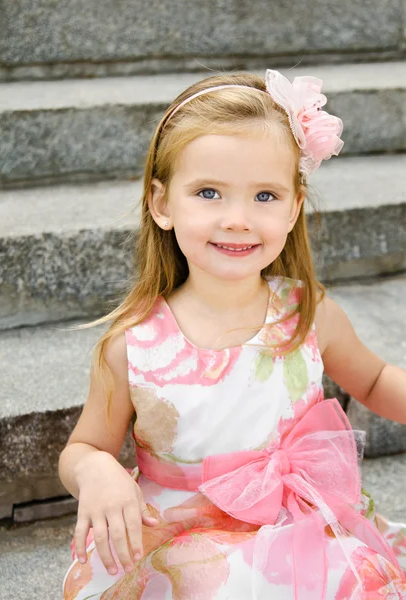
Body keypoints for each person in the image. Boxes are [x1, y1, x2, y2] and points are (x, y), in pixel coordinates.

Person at [59, 68, 406, 599]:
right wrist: (96, 473)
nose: (238, 219)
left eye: (265, 196)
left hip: (297, 526)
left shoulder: (308, 314)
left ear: (294, 207)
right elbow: (83, 447)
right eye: (209, 193)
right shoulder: (133, 346)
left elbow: (377, 379)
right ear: (162, 204)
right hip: (184, 537)